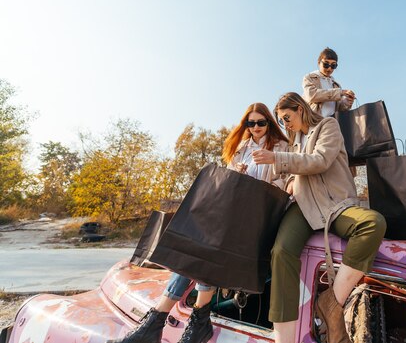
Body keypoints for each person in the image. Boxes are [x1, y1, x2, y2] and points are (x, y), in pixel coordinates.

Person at [109, 103, 289, 343]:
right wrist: (237, 171)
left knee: (209, 251)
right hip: (231, 215)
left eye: (260, 122)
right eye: (250, 123)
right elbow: (227, 184)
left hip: (255, 221)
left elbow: (286, 187)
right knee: (198, 250)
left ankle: (160, 321)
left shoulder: (281, 147)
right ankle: (179, 318)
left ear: (269, 122)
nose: (255, 128)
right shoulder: (241, 148)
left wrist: (269, 167)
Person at [252, 92, 386, 343]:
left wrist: (277, 159)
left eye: (287, 117)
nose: (285, 124)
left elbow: (320, 161)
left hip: (335, 205)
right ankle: (284, 338)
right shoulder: (293, 141)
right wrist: (290, 181)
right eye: (281, 121)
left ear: (300, 109)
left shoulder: (328, 126)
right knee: (281, 253)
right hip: (302, 207)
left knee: (372, 223)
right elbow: (296, 171)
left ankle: (331, 302)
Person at [302, 47, 356, 117]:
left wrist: (347, 102)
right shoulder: (309, 78)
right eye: (326, 64)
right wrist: (339, 92)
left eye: (333, 65)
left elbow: (340, 110)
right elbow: (311, 95)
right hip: (314, 122)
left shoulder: (336, 85)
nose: (329, 68)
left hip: (332, 123)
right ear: (319, 63)